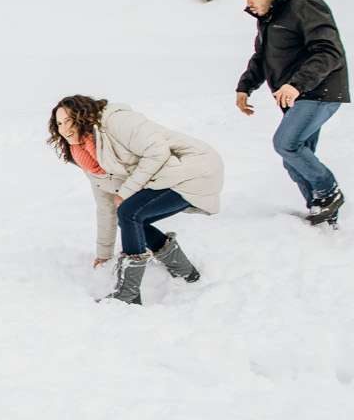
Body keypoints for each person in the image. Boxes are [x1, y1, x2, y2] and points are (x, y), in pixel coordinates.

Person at [50, 95, 224, 305]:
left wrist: (126, 192)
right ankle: (185, 272)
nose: (64, 128)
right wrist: (103, 254)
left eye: (68, 120)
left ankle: (129, 293)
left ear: (82, 115)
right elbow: (106, 208)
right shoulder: (90, 161)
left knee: (129, 212)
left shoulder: (115, 122)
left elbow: (156, 151)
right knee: (133, 217)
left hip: (194, 167)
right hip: (168, 175)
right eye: (59, 123)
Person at [233, 0, 351, 226]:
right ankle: (320, 210)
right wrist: (245, 86)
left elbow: (329, 51)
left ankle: (328, 191)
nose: (248, 3)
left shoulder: (305, 5)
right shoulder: (269, 16)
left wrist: (297, 84)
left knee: (286, 144)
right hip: (296, 95)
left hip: (319, 91)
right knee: (293, 159)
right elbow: (263, 56)